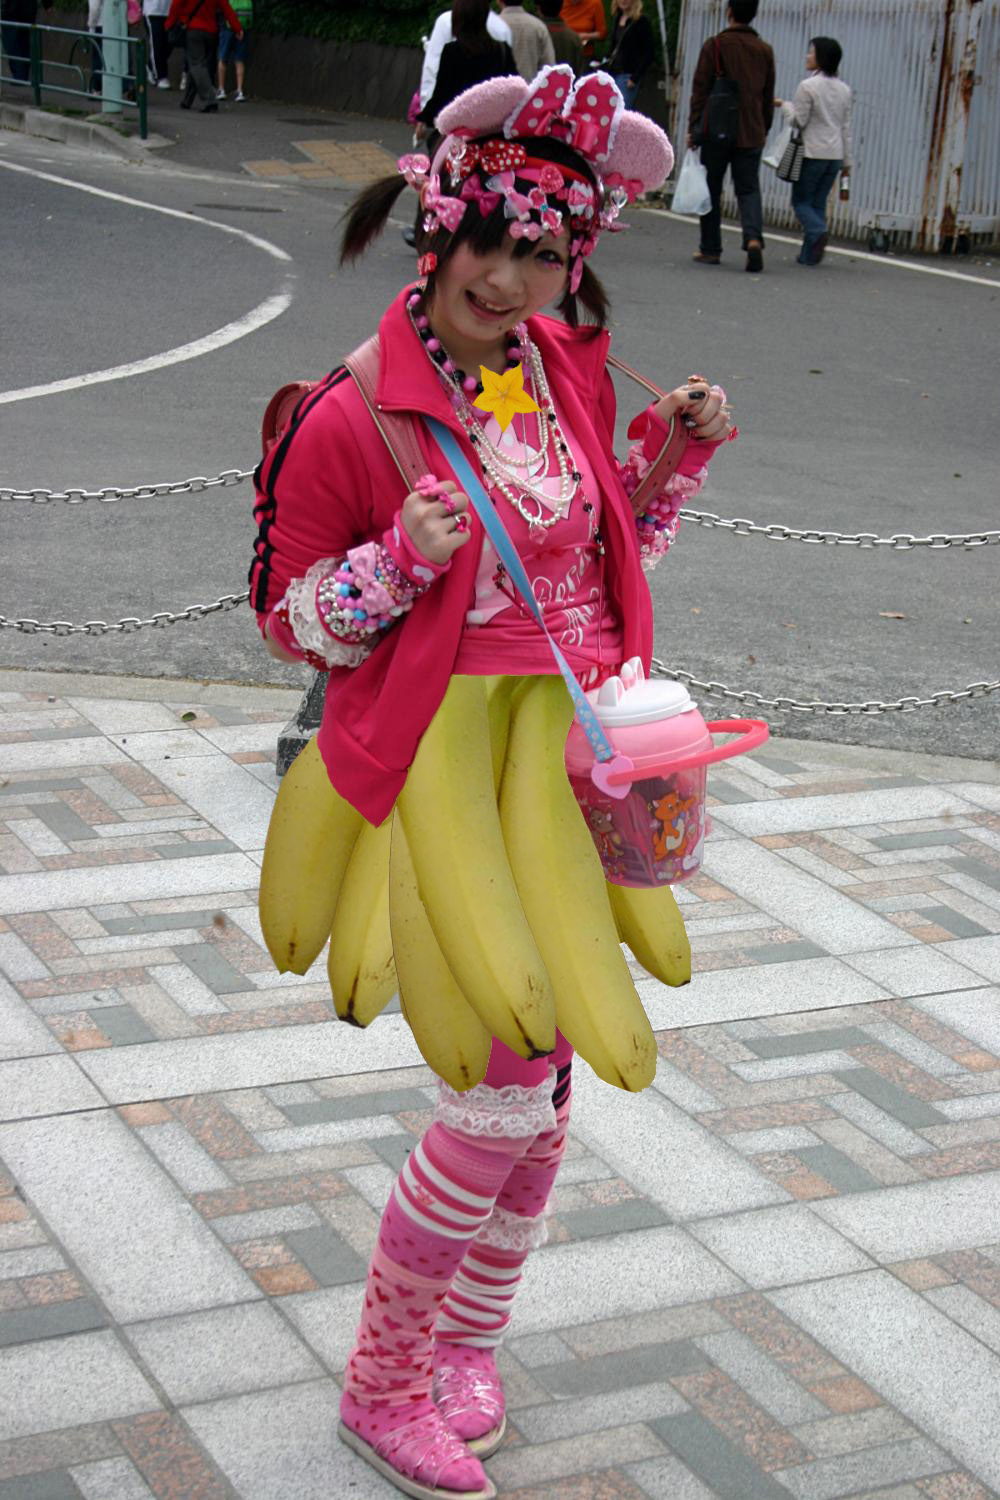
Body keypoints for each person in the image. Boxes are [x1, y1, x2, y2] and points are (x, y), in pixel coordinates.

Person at [250, 61, 736, 1500]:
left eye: (547, 252)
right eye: (494, 242)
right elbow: (289, 622)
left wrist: (670, 468)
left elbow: (601, 559)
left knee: (552, 1072)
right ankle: (384, 1381)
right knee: (500, 1081)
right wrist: (400, 556)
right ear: (438, 225)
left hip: (581, 762)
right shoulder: (347, 415)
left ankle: (471, 1340)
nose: (514, 278)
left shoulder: (561, 373)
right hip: (448, 774)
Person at [688, 0, 775, 272]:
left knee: (712, 188)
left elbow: (701, 89)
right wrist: (764, 126)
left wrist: (695, 128)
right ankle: (752, 238)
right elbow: (767, 94)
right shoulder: (765, 50)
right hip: (751, 129)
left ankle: (710, 248)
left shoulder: (715, 45)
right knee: (748, 188)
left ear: (729, 12)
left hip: (717, 130)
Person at [776, 35, 852, 266]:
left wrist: (784, 105)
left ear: (820, 58)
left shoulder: (808, 86)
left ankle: (818, 231)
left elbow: (799, 121)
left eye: (811, 52)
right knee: (817, 203)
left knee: (801, 202)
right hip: (835, 155)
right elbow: (846, 127)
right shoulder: (844, 89)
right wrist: (848, 163)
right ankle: (808, 256)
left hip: (812, 152)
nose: (808, 56)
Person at [418, 0, 517, 131]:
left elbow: (440, 89)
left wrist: (425, 117)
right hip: (493, 128)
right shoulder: (503, 46)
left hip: (458, 129)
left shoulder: (451, 51)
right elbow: (513, 87)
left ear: (459, 17)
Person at [164, 0, 242, 112]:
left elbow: (176, 4)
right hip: (211, 31)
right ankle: (187, 100)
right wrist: (237, 28)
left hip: (193, 29)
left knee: (197, 65)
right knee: (197, 64)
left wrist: (169, 24)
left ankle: (210, 100)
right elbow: (226, 8)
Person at [606, 0, 655, 110]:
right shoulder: (617, 18)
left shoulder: (642, 21)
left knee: (622, 115)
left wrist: (635, 78)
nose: (623, 1)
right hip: (613, 74)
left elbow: (649, 53)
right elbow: (613, 47)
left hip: (627, 76)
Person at [496, 0, 554, 82]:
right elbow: (549, 66)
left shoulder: (492, 27)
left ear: (499, 1)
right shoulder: (538, 26)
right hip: (531, 90)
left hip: (499, 90)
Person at [217, 0, 251, 100]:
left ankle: (221, 89)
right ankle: (240, 91)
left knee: (223, 58)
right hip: (243, 24)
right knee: (239, 60)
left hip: (227, 24)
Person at [537, 0, 583, 74]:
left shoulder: (535, 34)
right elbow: (578, 70)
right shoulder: (574, 37)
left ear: (538, 8)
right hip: (567, 84)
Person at [1, 0, 36, 84]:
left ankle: (19, 75)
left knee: (12, 43)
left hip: (12, 12)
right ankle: (22, 74)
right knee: (23, 42)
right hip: (28, 12)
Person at [142, 0, 170, 87]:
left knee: (170, 43)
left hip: (168, 11)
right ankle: (160, 76)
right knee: (156, 44)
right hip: (152, 11)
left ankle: (151, 66)